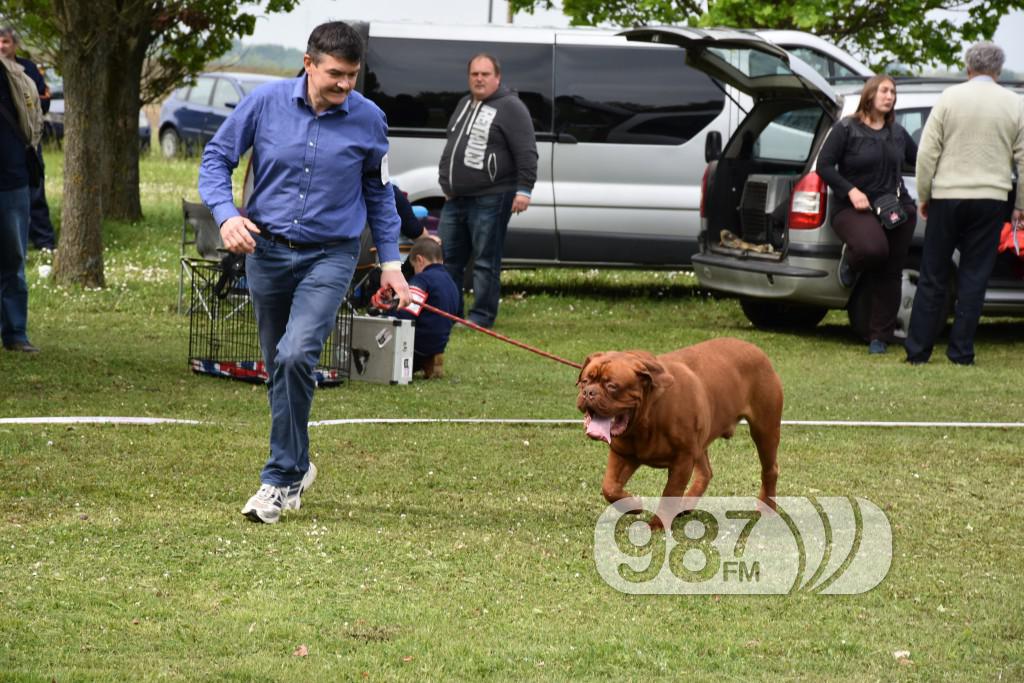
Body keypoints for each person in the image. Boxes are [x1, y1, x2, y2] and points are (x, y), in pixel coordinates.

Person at [199, 21, 411, 524]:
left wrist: (392, 264)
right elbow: (215, 159)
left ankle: (276, 480)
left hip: (331, 255)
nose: (344, 85)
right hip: (266, 252)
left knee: (297, 354)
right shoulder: (265, 103)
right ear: (308, 62)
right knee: (279, 366)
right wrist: (227, 214)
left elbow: (380, 194)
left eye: (352, 76)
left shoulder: (369, 119)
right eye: (335, 73)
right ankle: (297, 466)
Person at [906, 42, 1024, 366]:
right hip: (991, 198)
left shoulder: (949, 98)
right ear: (998, 71)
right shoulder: (1015, 104)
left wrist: (925, 193)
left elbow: (927, 151)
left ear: (968, 67)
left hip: (947, 195)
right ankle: (961, 352)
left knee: (933, 273)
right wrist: (1020, 205)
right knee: (975, 275)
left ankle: (918, 351)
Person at [817, 74, 918, 354]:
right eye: (885, 91)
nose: (890, 96)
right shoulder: (847, 128)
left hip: (896, 208)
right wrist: (850, 190)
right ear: (870, 94)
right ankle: (850, 260)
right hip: (853, 208)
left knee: (891, 271)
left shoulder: (898, 133)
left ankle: (879, 337)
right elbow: (824, 166)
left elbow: (921, 159)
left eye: (893, 92)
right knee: (874, 250)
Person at [437, 53, 537, 329]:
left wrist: (524, 189)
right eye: (474, 74)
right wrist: (446, 182)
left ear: (497, 77)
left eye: (485, 74)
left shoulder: (510, 107)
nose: (479, 78)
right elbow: (452, 144)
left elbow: (527, 152)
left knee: (484, 262)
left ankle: (481, 317)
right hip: (456, 199)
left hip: (492, 196)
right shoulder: (464, 103)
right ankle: (451, 313)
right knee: (447, 261)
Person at [0, 45, 40, 353]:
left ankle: (15, 333)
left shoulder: (17, 75)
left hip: (13, 181)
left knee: (14, 260)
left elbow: (34, 120)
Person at [0, 27, 54, 251]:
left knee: (35, 193)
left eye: (5, 42)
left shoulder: (28, 70)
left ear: (15, 45)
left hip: (26, 145)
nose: (1, 47)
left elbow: (44, 100)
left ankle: (44, 241)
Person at [393, 236, 460, 379]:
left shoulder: (421, 280)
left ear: (419, 260)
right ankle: (433, 362)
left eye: (414, 266)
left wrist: (387, 311)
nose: (415, 271)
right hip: (438, 345)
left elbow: (406, 314)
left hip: (417, 349)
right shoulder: (451, 282)